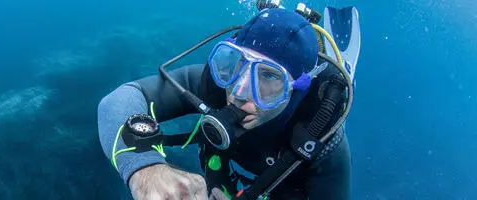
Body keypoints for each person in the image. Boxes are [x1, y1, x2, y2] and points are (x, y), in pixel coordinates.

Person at [98, 4, 361, 200]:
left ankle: (342, 69)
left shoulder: (323, 141)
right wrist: (145, 170)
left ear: (296, 90)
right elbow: (116, 102)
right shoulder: (213, 84)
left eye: (269, 76)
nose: (240, 90)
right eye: (236, 62)